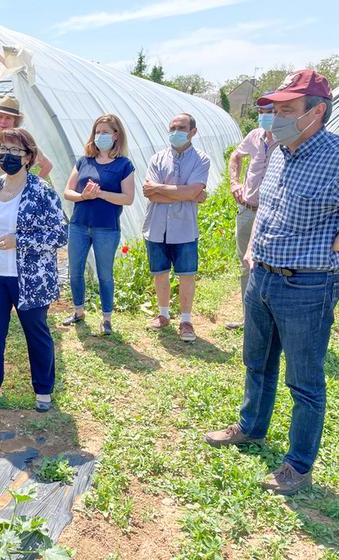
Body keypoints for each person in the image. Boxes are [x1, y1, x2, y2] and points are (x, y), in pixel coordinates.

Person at [205, 70, 338, 496]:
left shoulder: (335, 156)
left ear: (315, 112)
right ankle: (250, 427)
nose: (275, 117)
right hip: (262, 275)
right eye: (274, 108)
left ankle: (298, 465)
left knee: (304, 380)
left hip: (307, 286)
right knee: (256, 361)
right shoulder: (279, 152)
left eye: (286, 110)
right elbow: (267, 204)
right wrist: (253, 249)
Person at [0, 128, 67, 413]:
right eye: (4, 151)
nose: (8, 157)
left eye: (15, 152)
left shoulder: (41, 191)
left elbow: (60, 234)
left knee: (36, 332)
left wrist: (19, 242)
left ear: (29, 157)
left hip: (30, 279)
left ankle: (44, 390)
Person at [62, 114, 135, 334]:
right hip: (79, 225)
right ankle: (78, 310)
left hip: (106, 228)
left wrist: (100, 193)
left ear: (116, 135)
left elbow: (128, 198)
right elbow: (68, 192)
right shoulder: (84, 161)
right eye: (97, 132)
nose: (100, 136)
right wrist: (83, 196)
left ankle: (106, 318)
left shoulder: (124, 165)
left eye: (105, 132)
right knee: (75, 270)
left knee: (105, 273)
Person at [142, 113, 210, 342]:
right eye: (172, 127)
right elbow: (148, 192)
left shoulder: (201, 159)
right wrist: (186, 194)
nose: (175, 131)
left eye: (181, 127)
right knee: (160, 273)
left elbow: (191, 191)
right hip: (156, 225)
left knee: (186, 275)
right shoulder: (157, 158)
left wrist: (162, 190)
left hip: (185, 228)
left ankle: (186, 320)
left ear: (193, 131)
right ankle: (163, 315)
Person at [225, 98, 277, 329]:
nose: (264, 115)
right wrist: (235, 184)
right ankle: (249, 318)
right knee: (245, 263)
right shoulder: (255, 136)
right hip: (248, 209)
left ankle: (274, 320)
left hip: (274, 214)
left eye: (270, 111)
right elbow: (235, 156)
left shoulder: (289, 141)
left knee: (273, 265)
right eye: (261, 111)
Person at [0, 96, 53, 205]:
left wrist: (30, 188)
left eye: (8, 118)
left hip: (15, 200)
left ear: (15, 121)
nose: (3, 121)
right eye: (0, 117)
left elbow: (47, 165)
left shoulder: (24, 143)